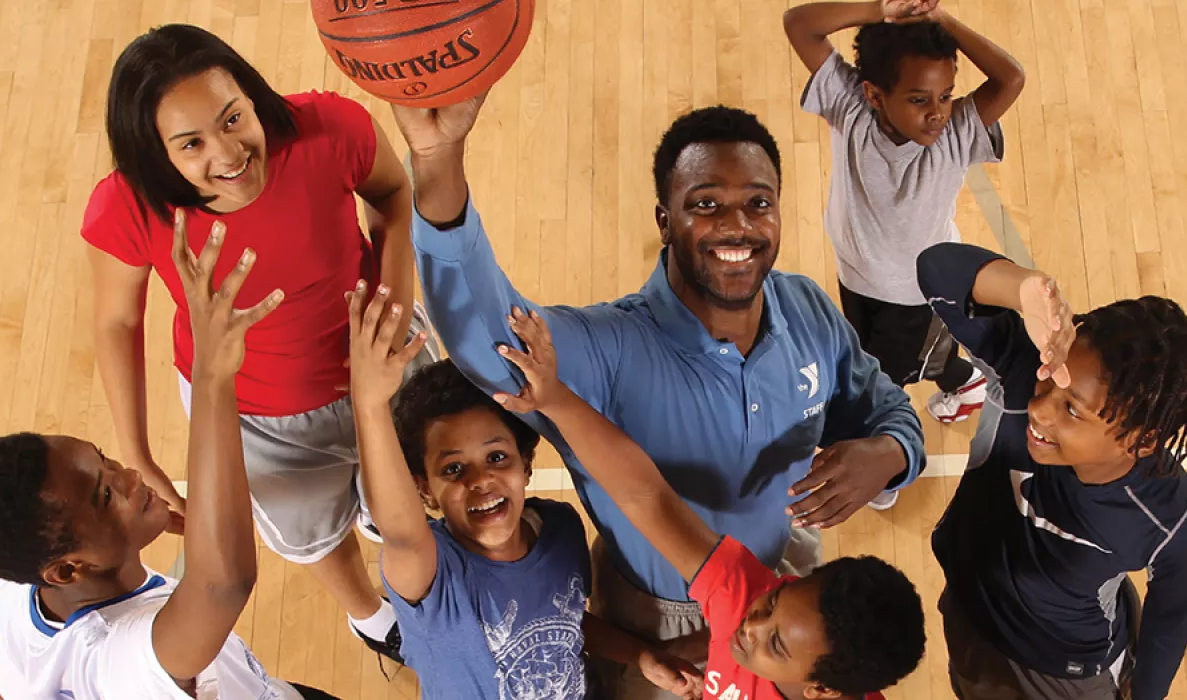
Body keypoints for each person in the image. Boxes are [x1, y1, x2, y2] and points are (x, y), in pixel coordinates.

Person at [393, 97, 926, 699]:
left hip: (776, 588)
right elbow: (492, 341)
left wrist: (889, 453)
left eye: (759, 203)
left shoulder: (806, 310)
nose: (737, 226)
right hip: (653, 615)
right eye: (705, 205)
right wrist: (438, 162)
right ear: (664, 219)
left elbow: (891, 411)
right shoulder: (609, 345)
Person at [81, 24, 428, 660]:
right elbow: (117, 322)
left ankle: (424, 583)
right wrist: (135, 447)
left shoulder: (329, 127)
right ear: (156, 155)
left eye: (233, 117)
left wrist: (394, 310)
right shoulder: (129, 207)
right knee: (317, 535)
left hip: (383, 369)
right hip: (256, 419)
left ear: (250, 95)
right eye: (191, 143)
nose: (229, 152)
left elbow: (393, 193)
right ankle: (370, 616)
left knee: (414, 502)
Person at [0, 218, 336, 699]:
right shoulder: (119, 656)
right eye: (104, 495)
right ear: (66, 570)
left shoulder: (20, 594)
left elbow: (1, 684)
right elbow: (222, 583)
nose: (129, 477)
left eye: (105, 461)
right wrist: (213, 374)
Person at [491, 307, 926, 700]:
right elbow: (647, 497)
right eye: (774, 600)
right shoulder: (743, 594)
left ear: (821, 689)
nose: (749, 626)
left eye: (774, 643)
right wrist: (558, 401)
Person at [341, 284, 701, 698]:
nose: (479, 480)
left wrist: (640, 655)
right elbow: (402, 533)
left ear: (525, 464)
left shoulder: (560, 528)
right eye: (453, 468)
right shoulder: (433, 577)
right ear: (424, 490)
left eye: (496, 457)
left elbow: (565, 622)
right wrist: (368, 404)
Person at [916, 242, 1187, 700]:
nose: (1039, 410)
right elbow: (934, 268)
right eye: (1047, 381)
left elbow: (1168, 625)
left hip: (1063, 674)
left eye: (1073, 411)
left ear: (1141, 440)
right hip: (970, 612)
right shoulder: (1020, 369)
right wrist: (1024, 287)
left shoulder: (1172, 519)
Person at [783, 0, 1026, 429]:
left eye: (946, 96)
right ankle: (964, 381)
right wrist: (878, 9)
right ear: (874, 93)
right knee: (878, 355)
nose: (937, 112)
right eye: (919, 99)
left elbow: (1011, 78)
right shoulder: (850, 108)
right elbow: (799, 24)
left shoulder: (956, 135)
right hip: (856, 274)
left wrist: (943, 20)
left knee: (878, 382)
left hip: (913, 296)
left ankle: (884, 459)